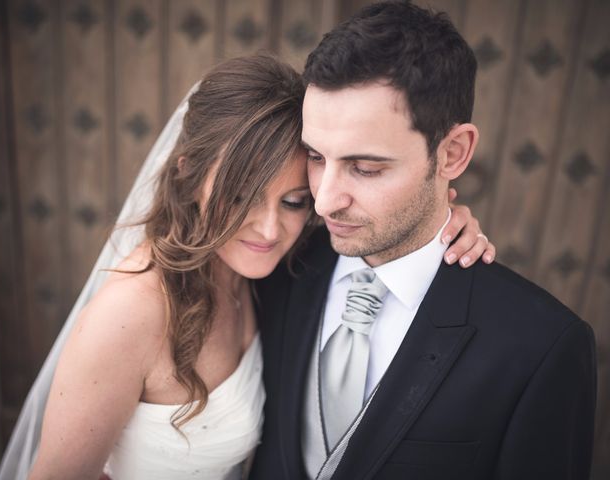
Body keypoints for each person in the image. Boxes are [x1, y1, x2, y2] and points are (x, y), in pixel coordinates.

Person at [0, 54, 493, 480]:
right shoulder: (133, 312)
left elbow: (384, 233)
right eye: (240, 198)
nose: (270, 229)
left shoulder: (279, 269)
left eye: (296, 201)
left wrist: (444, 226)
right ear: (189, 175)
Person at [249, 3, 597, 480]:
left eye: (366, 168)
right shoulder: (271, 268)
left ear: (453, 153)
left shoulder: (541, 347)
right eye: (315, 156)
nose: (325, 200)